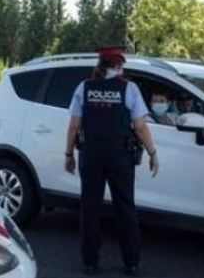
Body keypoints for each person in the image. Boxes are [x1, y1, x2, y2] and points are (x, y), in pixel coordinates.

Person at [64, 46, 160, 276]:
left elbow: (74, 125)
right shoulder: (129, 88)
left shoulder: (84, 87)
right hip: (120, 155)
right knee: (125, 207)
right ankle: (131, 263)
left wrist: (68, 154)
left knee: (90, 208)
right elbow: (139, 126)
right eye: (122, 65)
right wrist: (152, 153)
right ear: (118, 65)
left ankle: (90, 263)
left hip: (90, 154)